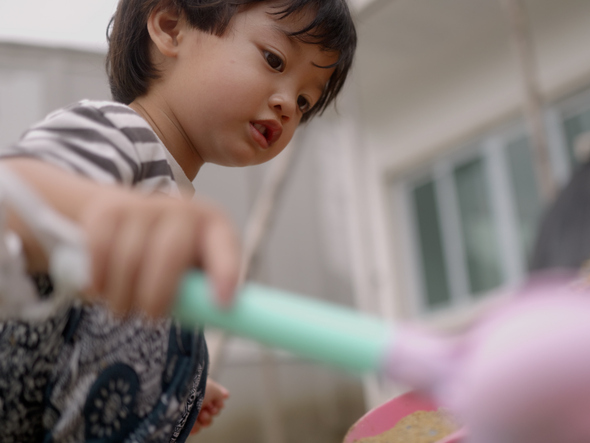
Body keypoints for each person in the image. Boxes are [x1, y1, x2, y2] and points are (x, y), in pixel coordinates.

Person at [0, 0, 356, 441]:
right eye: (273, 59)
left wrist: (175, 385)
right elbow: (11, 190)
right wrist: (103, 210)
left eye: (305, 100)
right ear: (170, 28)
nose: (288, 105)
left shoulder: (166, 191)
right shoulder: (115, 135)